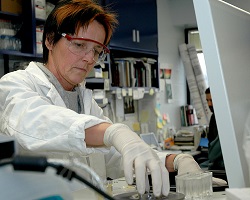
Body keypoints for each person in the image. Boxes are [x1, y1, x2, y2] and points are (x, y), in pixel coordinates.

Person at [0, 0, 213, 197]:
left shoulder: (84, 100)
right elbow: (34, 121)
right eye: (79, 44)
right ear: (49, 40)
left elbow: (115, 156)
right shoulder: (15, 84)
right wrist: (113, 131)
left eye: (96, 50)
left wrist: (173, 160)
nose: (89, 58)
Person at [203, 87, 225, 170]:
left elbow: (212, 154)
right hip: (215, 160)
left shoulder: (223, 117)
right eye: (207, 101)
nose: (209, 104)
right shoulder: (213, 117)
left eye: (211, 100)